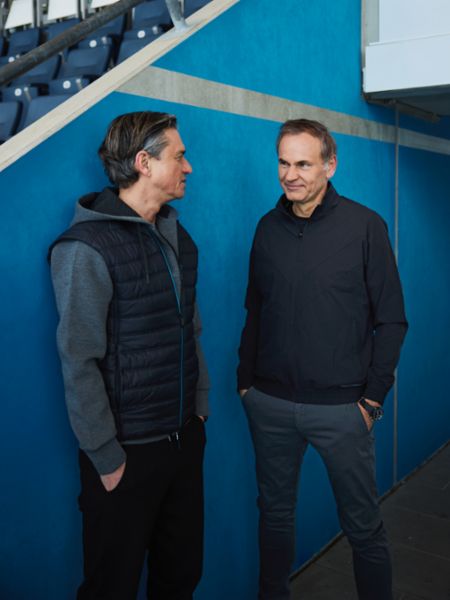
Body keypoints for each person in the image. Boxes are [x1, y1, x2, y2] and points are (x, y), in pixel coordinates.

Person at [237, 119, 407, 600]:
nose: (290, 175)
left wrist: (371, 401)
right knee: (274, 516)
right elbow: (255, 309)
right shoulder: (267, 228)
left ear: (330, 166)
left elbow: (392, 320)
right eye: (283, 163)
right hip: (269, 404)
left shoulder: (365, 226)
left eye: (303, 164)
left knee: (363, 526)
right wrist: (246, 384)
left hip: (342, 410)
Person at [49, 111, 209, 600]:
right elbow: (79, 360)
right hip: (126, 455)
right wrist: (106, 457)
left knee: (180, 578)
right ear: (144, 162)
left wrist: (199, 410)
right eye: (179, 156)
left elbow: (190, 328)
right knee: (110, 587)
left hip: (183, 441)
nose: (188, 167)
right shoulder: (85, 248)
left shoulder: (178, 237)